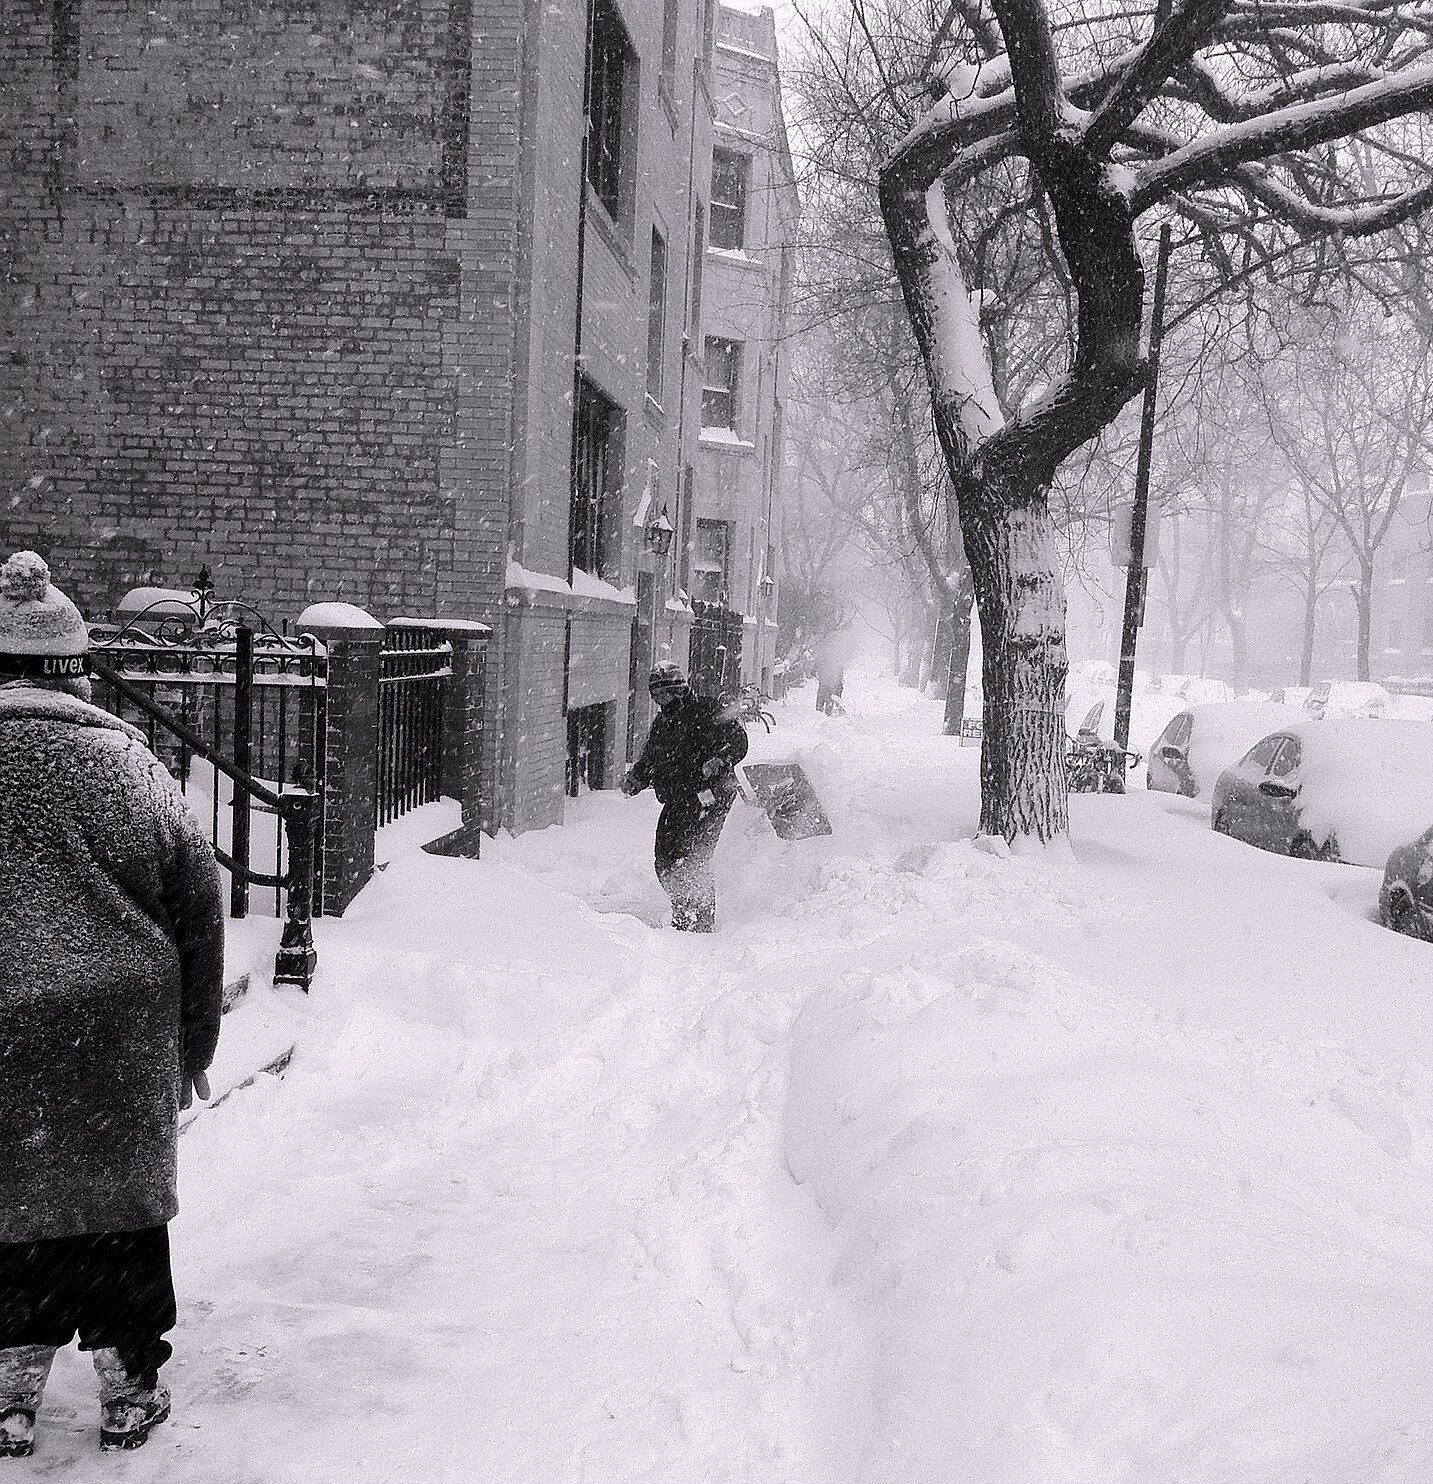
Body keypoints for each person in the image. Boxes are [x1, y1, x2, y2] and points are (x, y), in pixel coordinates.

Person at [0, 552, 225, 1456]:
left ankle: (12, 1383)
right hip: (117, 1025)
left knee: (12, 1200)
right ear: (74, 669)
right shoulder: (128, 770)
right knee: (120, 1210)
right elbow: (199, 911)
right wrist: (193, 1045)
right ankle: (129, 1380)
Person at [622, 662, 749, 932]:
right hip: (679, 798)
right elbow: (651, 757)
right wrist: (637, 778)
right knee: (665, 857)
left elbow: (739, 740)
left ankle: (700, 918)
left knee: (694, 856)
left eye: (662, 694)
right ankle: (684, 909)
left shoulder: (707, 710)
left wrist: (719, 758)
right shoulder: (663, 722)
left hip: (710, 796)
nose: (658, 700)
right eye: (654, 695)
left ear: (677, 690)